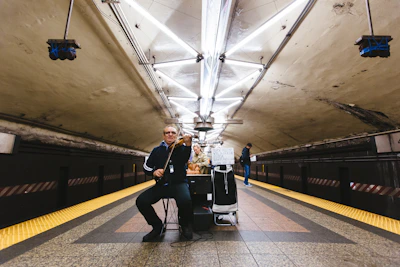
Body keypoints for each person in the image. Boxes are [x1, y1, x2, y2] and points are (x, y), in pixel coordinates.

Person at [136, 125, 193, 242]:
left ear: (177, 135)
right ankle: (157, 226)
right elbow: (146, 168)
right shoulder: (157, 151)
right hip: (162, 185)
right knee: (141, 201)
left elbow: (184, 158)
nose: (170, 134)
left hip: (178, 183)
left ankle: (185, 224)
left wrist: (188, 145)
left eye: (173, 132)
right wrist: (154, 172)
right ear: (163, 135)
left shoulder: (181, 149)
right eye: (167, 133)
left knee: (185, 200)